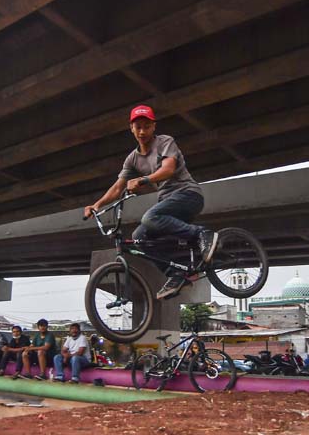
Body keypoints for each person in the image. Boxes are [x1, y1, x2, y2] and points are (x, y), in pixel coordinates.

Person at [83, 104, 217, 300]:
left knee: (150, 217)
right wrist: (96, 205)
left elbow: (169, 169)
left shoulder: (164, 142)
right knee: (140, 237)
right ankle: (176, 274)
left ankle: (202, 233)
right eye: (138, 127)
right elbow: (118, 187)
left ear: (154, 127)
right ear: (131, 128)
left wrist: (143, 180)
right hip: (168, 203)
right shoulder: (132, 159)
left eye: (147, 126)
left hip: (188, 195)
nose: (142, 131)